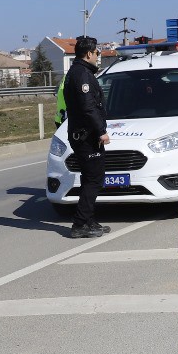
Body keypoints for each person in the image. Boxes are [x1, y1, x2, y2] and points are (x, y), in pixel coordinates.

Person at [62, 36, 109, 238]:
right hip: (86, 136)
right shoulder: (82, 74)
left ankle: (88, 220)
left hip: (84, 134)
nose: (98, 56)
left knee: (90, 178)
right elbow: (88, 107)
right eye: (97, 53)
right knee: (94, 179)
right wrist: (101, 131)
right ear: (89, 53)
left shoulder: (79, 71)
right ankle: (80, 224)